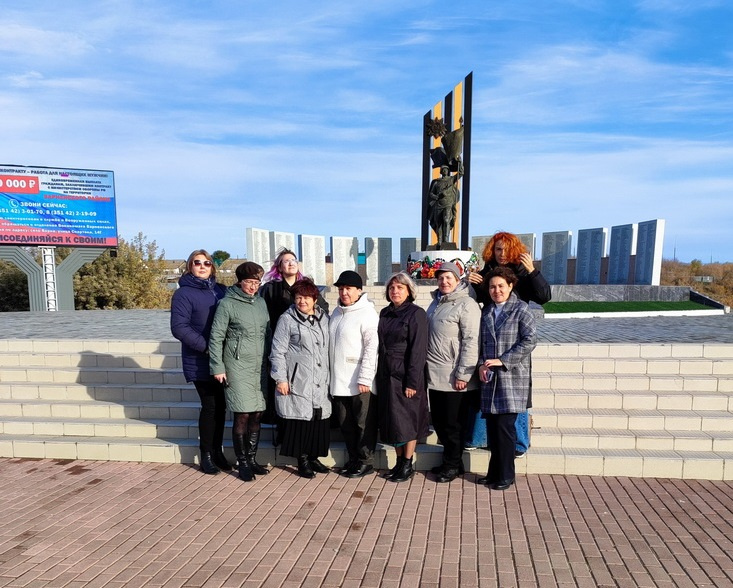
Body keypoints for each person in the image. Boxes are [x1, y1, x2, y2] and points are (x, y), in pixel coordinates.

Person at [467, 231, 551, 457]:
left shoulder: (523, 272)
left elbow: (544, 296)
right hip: (491, 337)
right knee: (486, 388)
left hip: (514, 340)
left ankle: (519, 443)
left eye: (506, 249)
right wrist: (470, 283)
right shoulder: (486, 272)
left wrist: (533, 271)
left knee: (517, 394)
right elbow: (473, 301)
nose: (502, 253)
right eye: (498, 249)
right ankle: (479, 437)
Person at [209, 262, 271, 482]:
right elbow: (216, 337)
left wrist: (270, 359)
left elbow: (267, 333)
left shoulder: (261, 303)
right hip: (236, 366)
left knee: (257, 413)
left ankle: (252, 459)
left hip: (258, 366)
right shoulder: (226, 304)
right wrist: (217, 367)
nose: (253, 287)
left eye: (257, 283)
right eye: (249, 282)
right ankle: (242, 462)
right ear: (239, 281)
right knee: (242, 414)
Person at [477, 266, 537, 491]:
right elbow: (480, 343)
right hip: (490, 379)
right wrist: (481, 364)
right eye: (492, 287)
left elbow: (530, 340)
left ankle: (506, 475)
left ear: (510, 286)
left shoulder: (521, 309)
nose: (497, 290)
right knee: (493, 429)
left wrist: (503, 360)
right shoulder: (486, 311)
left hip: (511, 377)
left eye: (501, 286)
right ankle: (494, 473)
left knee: (505, 429)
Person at [170, 249, 229, 475]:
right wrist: (207, 347)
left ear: (212, 267)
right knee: (211, 406)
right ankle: (206, 455)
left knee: (221, 406)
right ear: (190, 266)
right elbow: (179, 328)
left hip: (222, 359)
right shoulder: (183, 293)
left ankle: (217, 451)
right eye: (197, 263)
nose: (202, 266)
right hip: (200, 358)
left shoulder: (220, 290)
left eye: (207, 263)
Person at [259, 248, 329, 427]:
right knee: (282, 392)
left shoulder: (307, 286)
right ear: (279, 267)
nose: (291, 263)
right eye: (286, 261)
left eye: (293, 260)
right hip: (279, 342)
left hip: (305, 345)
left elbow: (322, 309)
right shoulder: (270, 289)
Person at [269, 278, 331, 478]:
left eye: (306, 297)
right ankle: (302, 459)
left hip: (320, 378)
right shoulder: (287, 319)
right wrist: (281, 378)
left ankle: (313, 457)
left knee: (317, 420)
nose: (302, 301)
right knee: (301, 421)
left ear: (315, 299)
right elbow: (277, 351)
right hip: (299, 378)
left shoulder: (324, 318)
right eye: (298, 297)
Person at [425, 262, 481, 483]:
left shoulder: (467, 304)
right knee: (440, 423)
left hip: (454, 376)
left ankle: (452, 465)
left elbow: (471, 341)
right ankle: (453, 463)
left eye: (449, 277)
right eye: (441, 278)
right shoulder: (436, 302)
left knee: (452, 424)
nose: (444, 282)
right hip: (435, 374)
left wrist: (464, 374)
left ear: (458, 280)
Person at [376, 272, 429, 483]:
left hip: (406, 374)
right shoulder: (385, 313)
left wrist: (412, 382)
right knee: (393, 421)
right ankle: (398, 463)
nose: (395, 291)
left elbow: (418, 350)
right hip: (387, 374)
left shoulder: (416, 314)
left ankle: (407, 463)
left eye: (400, 287)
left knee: (408, 421)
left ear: (409, 291)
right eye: (392, 288)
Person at [329, 270, 379, 478]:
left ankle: (366, 461)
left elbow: (371, 348)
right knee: (345, 423)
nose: (344, 293)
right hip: (339, 380)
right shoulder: (336, 312)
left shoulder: (367, 313)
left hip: (359, 381)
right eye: (341, 289)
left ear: (359, 290)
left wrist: (366, 377)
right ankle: (353, 459)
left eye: (348, 288)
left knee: (363, 423)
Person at [428, 165, 462, 244]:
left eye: (446, 169)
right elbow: (431, 193)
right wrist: (437, 197)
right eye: (443, 169)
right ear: (441, 171)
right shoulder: (436, 182)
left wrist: (459, 163)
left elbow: (461, 173)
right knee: (439, 223)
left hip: (448, 204)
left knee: (446, 220)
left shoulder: (451, 179)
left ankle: (446, 240)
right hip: (438, 205)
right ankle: (439, 240)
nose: (445, 171)